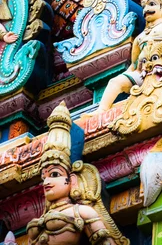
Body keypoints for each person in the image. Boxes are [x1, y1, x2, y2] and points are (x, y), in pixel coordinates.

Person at [27, 101, 128, 245]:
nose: (46, 182)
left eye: (55, 175)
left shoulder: (82, 212)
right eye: (44, 177)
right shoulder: (39, 221)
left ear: (72, 180)